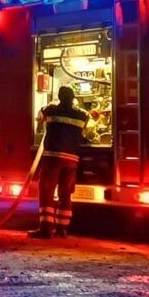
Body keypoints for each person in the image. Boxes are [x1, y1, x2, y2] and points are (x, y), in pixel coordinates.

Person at [29, 86, 88, 239]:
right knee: (65, 193)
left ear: (59, 97)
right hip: (72, 160)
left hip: (53, 157)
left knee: (46, 191)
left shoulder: (50, 110)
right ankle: (62, 229)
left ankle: (46, 229)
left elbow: (41, 114)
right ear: (73, 98)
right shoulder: (82, 115)